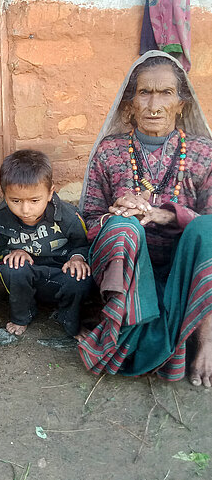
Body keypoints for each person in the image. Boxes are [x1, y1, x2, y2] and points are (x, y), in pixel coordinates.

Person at [79, 50, 212, 386]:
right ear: (131, 103)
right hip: (130, 272)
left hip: (185, 271)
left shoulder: (203, 153)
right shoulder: (109, 151)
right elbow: (88, 220)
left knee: (207, 229)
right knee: (123, 228)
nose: (154, 104)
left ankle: (205, 338)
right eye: (145, 92)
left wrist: (167, 216)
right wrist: (117, 215)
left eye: (166, 93)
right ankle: (122, 329)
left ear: (181, 104)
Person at [0, 149, 91, 337]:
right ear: (4, 195)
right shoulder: (0, 219)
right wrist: (14, 253)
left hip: (62, 275)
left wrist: (77, 258)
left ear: (50, 193)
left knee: (81, 277)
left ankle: (69, 318)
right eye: (15, 200)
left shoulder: (68, 216)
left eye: (35, 200)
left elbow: (84, 244)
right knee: (12, 268)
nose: (25, 209)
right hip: (27, 280)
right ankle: (23, 315)